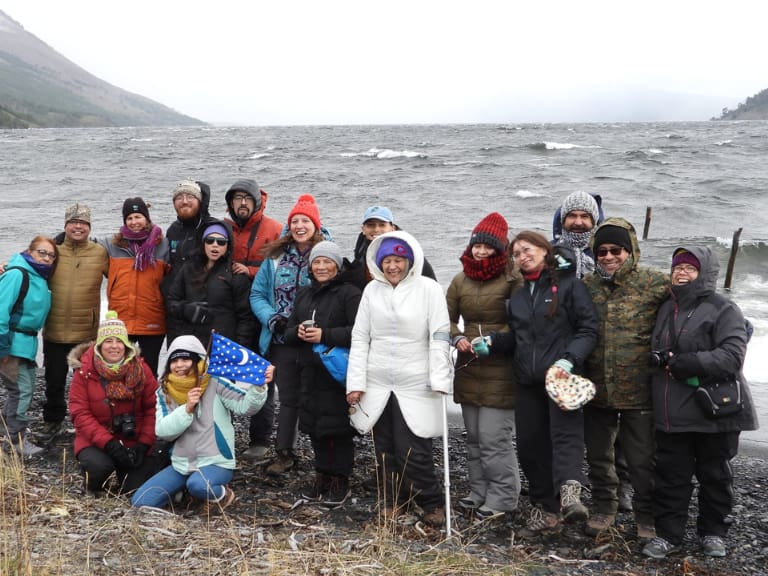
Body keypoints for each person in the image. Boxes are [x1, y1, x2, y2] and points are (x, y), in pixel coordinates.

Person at [641, 247, 758, 560]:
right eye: (677, 267)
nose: (681, 272)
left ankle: (713, 533)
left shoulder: (724, 308)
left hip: (714, 409)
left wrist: (688, 363)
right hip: (671, 410)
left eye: (690, 268)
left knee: (715, 475)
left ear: (704, 273)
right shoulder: (667, 307)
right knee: (670, 476)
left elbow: (733, 356)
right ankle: (668, 535)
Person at [488, 231, 598, 536]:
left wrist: (569, 359)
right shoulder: (519, 296)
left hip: (561, 376)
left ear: (544, 249)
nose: (522, 256)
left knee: (565, 437)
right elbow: (520, 338)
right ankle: (546, 509)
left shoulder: (570, 286)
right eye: (516, 253)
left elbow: (588, 329)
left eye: (528, 249)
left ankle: (570, 496)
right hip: (527, 379)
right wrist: (493, 343)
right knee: (529, 446)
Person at [346, 231, 453, 527]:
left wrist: (440, 377)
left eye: (398, 260)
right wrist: (355, 383)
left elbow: (440, 336)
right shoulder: (372, 291)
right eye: (387, 261)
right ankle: (394, 501)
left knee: (413, 448)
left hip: (415, 382)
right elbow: (360, 338)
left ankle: (431, 501)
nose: (393, 266)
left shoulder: (428, 289)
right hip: (378, 381)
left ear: (410, 260)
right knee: (384, 448)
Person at [581, 218, 668, 539]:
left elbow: (695, 303)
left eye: (616, 250)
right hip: (596, 388)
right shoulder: (587, 286)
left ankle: (646, 516)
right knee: (599, 456)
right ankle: (605, 508)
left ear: (630, 251)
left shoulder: (656, 283)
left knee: (642, 460)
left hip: (640, 390)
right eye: (601, 251)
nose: (608, 256)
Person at [131, 335, 271, 510]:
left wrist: (258, 388)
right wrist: (186, 409)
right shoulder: (164, 391)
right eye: (174, 361)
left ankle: (221, 495)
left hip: (216, 461)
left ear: (197, 360)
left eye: (185, 359)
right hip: (182, 464)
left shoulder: (215, 382)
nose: (179, 365)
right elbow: (163, 431)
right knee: (141, 501)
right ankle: (188, 493)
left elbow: (245, 406)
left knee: (199, 485)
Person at [446, 213, 522, 519]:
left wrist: (493, 341)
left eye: (487, 246)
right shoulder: (460, 279)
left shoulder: (513, 279)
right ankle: (479, 493)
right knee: (474, 438)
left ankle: (503, 497)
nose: (479, 251)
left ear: (499, 249)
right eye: (476, 244)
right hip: (468, 368)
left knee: (495, 439)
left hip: (501, 370)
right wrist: (457, 338)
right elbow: (445, 318)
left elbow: (522, 325)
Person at [250, 194, 330, 474]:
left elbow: (336, 294)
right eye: (294, 221)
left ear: (315, 225)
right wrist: (274, 321)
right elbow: (258, 294)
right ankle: (285, 452)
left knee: (317, 395)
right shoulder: (275, 258)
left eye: (305, 221)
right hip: (282, 338)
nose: (299, 226)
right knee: (287, 397)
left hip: (314, 339)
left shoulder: (326, 255)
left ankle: (326, 456)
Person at [283, 241, 361, 504]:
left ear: (337, 266)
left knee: (338, 427)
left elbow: (359, 332)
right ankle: (321, 475)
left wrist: (325, 335)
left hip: (337, 371)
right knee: (314, 425)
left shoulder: (349, 293)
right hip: (308, 369)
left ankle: (341, 479)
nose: (321, 266)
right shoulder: (305, 293)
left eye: (327, 262)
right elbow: (288, 331)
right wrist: (300, 333)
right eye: (317, 262)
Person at [36, 203, 109, 445]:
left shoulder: (100, 253)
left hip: (85, 334)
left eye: (83, 223)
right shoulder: (52, 251)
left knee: (87, 383)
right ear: (65, 226)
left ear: (89, 227)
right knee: (53, 381)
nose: (78, 226)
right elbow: (28, 263)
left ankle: (87, 425)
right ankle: (53, 421)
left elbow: (122, 275)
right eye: (73, 222)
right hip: (54, 330)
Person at [68, 311, 161, 495]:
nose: (114, 346)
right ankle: (95, 480)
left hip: (134, 438)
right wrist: (109, 443)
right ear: (99, 345)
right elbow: (80, 414)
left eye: (119, 341)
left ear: (126, 345)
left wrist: (144, 444)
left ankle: (125, 473)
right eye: (108, 341)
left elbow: (153, 408)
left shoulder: (141, 369)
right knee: (99, 468)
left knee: (134, 488)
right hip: (97, 440)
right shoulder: (84, 372)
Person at [223, 179, 283, 461]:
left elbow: (280, 268)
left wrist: (247, 269)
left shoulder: (273, 229)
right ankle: (223, 432)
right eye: (237, 198)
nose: (242, 203)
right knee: (226, 376)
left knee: (261, 376)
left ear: (257, 201)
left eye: (247, 198)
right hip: (230, 312)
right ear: (230, 203)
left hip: (261, 312)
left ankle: (260, 439)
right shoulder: (224, 228)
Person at [0, 236, 56, 455]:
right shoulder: (17, 274)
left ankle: (7, 433)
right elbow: (1, 311)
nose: (46, 257)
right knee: (21, 391)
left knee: (22, 390)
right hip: (11, 343)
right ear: (29, 251)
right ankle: (15, 442)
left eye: (51, 255)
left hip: (26, 344)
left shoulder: (39, 277)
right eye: (41, 252)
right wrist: (2, 348)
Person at [101, 197, 169, 375]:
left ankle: (149, 403)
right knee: (119, 370)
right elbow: (87, 245)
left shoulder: (162, 245)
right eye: (129, 218)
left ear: (146, 218)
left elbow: (172, 278)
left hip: (152, 319)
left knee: (148, 372)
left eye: (138, 217)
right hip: (121, 319)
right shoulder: (112, 245)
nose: (134, 222)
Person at [166, 220, 255, 346]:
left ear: (227, 246)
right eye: (210, 240)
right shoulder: (188, 269)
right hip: (192, 342)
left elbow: (245, 317)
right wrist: (187, 309)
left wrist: (241, 347)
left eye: (221, 242)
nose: (215, 245)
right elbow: (171, 301)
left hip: (223, 344)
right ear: (203, 243)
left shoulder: (235, 274)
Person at [342, 205, 437, 291]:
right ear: (363, 229)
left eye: (382, 225)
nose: (376, 229)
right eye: (371, 225)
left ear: (393, 228)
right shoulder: (361, 250)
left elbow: (430, 282)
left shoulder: (409, 250)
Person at [164, 179, 214, 341]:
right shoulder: (173, 230)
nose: (184, 201)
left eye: (190, 196)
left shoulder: (211, 227)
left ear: (200, 201)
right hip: (177, 312)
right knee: (178, 364)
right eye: (179, 197)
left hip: (205, 311)